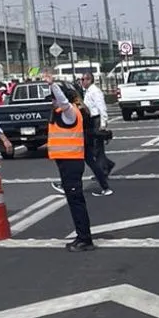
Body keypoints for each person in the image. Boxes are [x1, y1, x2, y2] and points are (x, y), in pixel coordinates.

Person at [44, 74, 93, 252]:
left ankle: (85, 239)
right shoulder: (59, 115)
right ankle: (82, 236)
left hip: (72, 162)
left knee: (76, 200)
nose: (52, 102)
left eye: (53, 99)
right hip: (66, 162)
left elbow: (64, 102)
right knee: (73, 200)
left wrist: (53, 86)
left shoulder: (70, 112)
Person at [80, 73, 115, 195]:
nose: (81, 81)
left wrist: (103, 123)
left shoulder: (95, 91)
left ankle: (102, 172)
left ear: (89, 80)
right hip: (90, 120)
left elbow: (102, 107)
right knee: (96, 149)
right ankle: (106, 167)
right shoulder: (88, 91)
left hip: (96, 120)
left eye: (83, 79)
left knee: (96, 149)